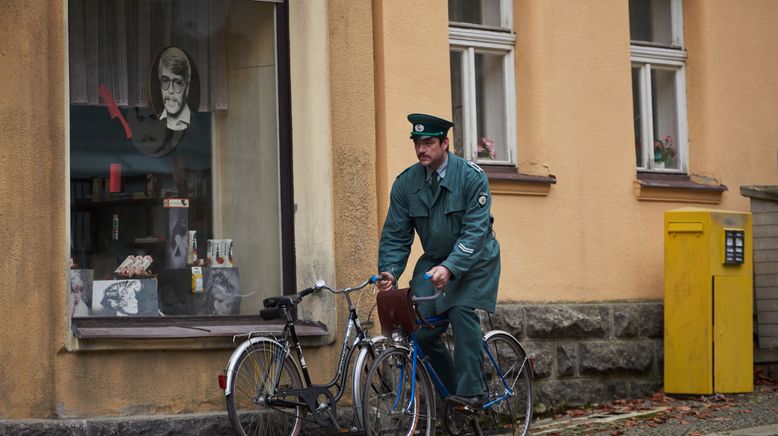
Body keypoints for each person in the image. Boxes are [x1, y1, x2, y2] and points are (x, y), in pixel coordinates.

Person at [377, 113, 501, 408]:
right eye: (417, 143)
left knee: (459, 309)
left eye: (429, 142)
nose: (422, 149)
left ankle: (472, 391)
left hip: (475, 259)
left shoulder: (471, 177)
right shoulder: (406, 184)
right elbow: (396, 234)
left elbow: (475, 232)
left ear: (445, 144)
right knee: (418, 329)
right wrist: (390, 272)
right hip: (433, 261)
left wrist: (451, 266)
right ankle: (451, 395)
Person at [157, 46, 192, 131]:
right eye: (165, 81)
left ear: (187, 88)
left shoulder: (198, 123)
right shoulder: (154, 121)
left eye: (178, 83)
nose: (170, 91)